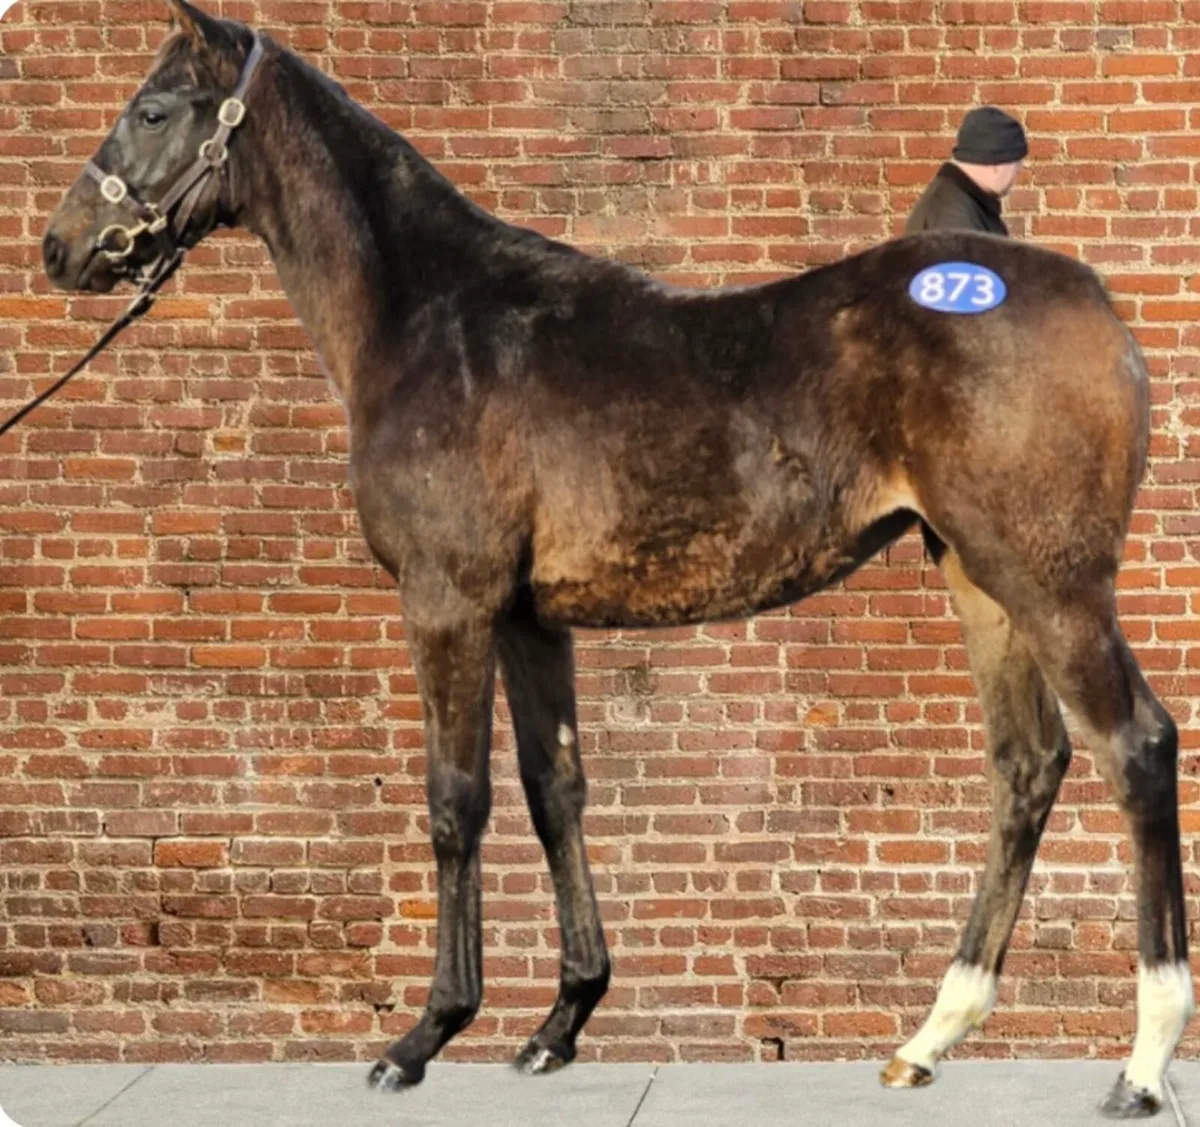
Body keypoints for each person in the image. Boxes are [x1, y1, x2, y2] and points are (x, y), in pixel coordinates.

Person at [905, 106, 1027, 236]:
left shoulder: (957, 202)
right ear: (997, 164)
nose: (1018, 171)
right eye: (1016, 164)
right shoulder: (952, 217)